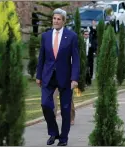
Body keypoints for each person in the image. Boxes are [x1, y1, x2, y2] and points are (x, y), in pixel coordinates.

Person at [36, 8, 80, 146]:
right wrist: (38, 76)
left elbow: (76, 59)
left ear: (64, 21)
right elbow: (41, 57)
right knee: (45, 104)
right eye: (54, 18)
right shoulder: (46, 36)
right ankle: (53, 132)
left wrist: (74, 78)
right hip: (48, 76)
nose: (56, 21)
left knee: (65, 109)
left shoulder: (71, 36)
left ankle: (63, 138)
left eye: (59, 19)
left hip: (65, 78)